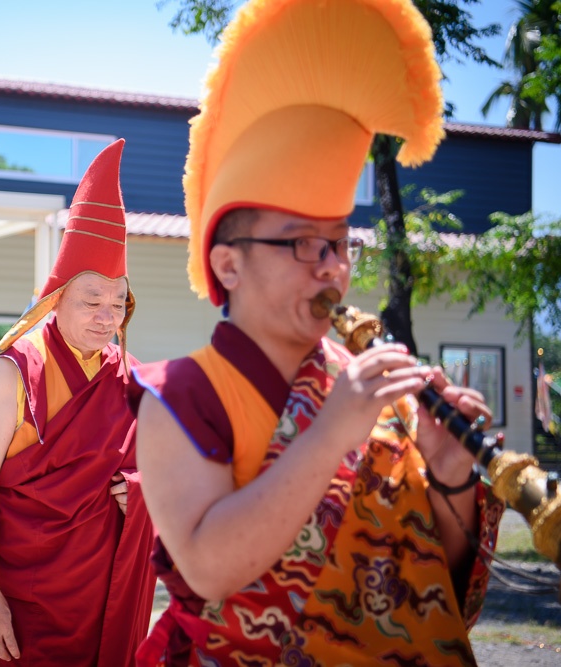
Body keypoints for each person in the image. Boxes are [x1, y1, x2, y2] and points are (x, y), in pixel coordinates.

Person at [129, 1, 504, 664]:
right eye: (302, 243)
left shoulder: (371, 391)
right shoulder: (182, 394)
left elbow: (426, 584)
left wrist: (448, 478)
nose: (331, 267)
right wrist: (333, 430)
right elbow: (213, 569)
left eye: (338, 242)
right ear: (229, 263)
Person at [0, 139, 155, 666]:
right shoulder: (12, 372)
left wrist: (142, 495)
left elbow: (165, 477)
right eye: (92, 300)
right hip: (24, 603)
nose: (107, 316)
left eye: (119, 303)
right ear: (55, 298)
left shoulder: (129, 377)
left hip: (107, 597)